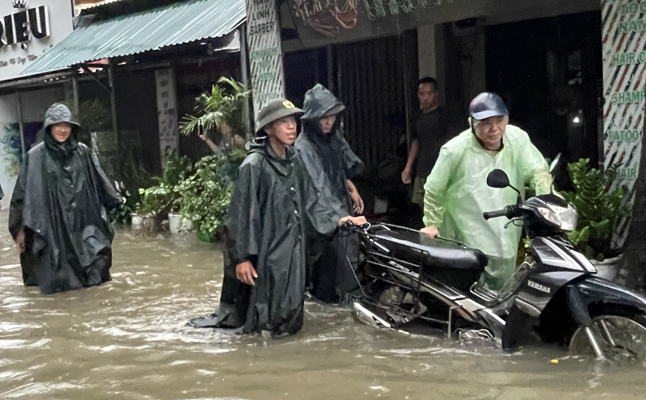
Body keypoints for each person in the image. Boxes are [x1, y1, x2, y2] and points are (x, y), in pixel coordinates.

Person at [191, 99, 365, 337]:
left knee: (292, 314)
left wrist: (339, 219)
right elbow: (240, 215)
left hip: (294, 250)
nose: (291, 127)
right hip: (268, 253)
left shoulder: (294, 161)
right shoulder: (254, 165)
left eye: (293, 121)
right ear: (269, 128)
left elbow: (312, 200)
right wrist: (241, 258)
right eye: (283, 122)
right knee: (266, 314)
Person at [421, 92, 551, 290]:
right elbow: (433, 188)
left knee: (506, 277)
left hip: (506, 222)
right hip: (468, 227)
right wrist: (432, 223)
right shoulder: (455, 150)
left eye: (499, 120)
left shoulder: (517, 138)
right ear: (472, 123)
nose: (494, 129)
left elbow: (538, 170)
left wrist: (547, 200)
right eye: (485, 122)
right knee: (472, 280)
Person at [8, 103, 121, 295]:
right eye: (57, 125)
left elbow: (100, 182)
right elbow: (21, 195)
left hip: (82, 224)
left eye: (66, 125)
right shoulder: (35, 156)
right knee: (58, 280)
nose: (62, 130)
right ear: (49, 127)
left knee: (92, 273)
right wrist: (18, 230)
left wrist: (112, 207)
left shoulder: (83, 152)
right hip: (52, 228)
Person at [294, 83, 366, 303]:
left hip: (339, 208)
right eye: (323, 117)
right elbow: (318, 186)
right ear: (312, 119)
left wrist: (349, 185)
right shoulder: (303, 147)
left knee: (350, 261)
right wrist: (338, 218)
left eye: (333, 116)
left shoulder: (332, 138)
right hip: (319, 217)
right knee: (328, 270)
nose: (329, 121)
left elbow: (348, 164)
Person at [401, 77, 452, 208]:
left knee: (440, 205)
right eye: (421, 94)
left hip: (441, 168)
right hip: (422, 168)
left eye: (429, 93)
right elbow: (416, 141)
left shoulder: (445, 116)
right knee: (420, 204)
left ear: (436, 94)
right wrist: (408, 166)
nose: (425, 97)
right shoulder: (417, 117)